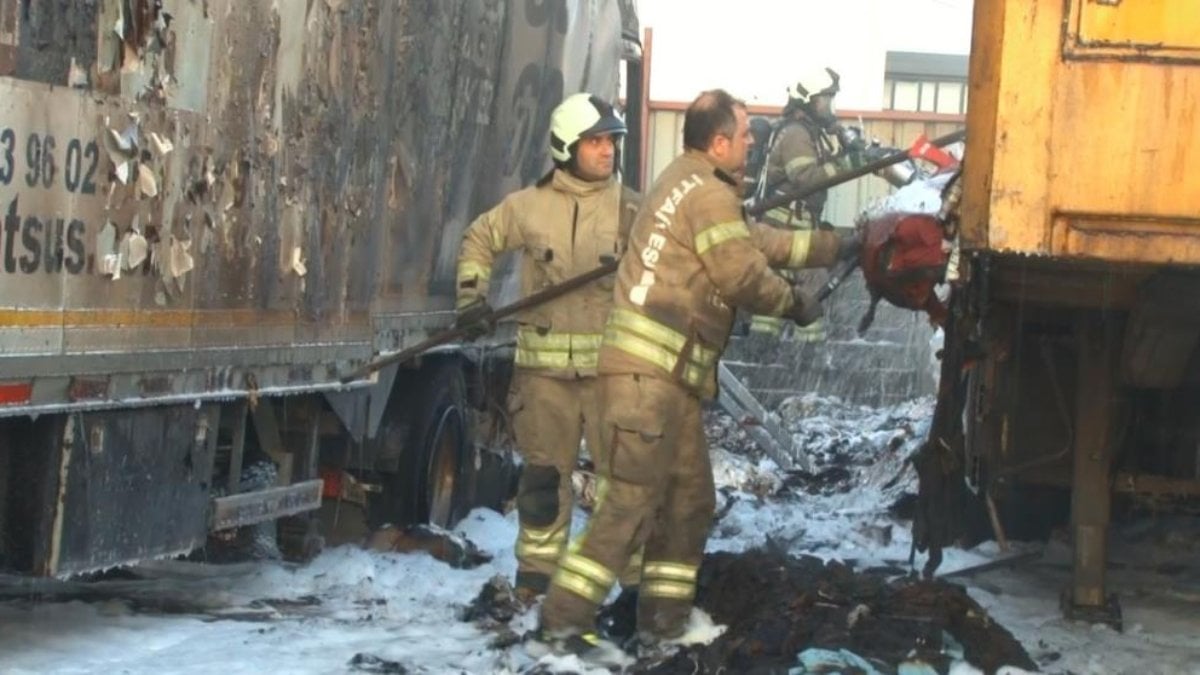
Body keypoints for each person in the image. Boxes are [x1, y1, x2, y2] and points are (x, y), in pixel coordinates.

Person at [533, 89, 856, 663]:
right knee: (630, 505)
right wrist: (794, 303)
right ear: (719, 142)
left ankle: (664, 623)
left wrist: (842, 245)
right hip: (646, 382)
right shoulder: (707, 193)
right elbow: (741, 276)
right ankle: (560, 625)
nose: (754, 141)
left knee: (689, 501)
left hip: (667, 382)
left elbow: (760, 241)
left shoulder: (692, 184)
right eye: (746, 133)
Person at [454, 92, 642, 605]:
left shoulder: (632, 209)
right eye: (596, 141)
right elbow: (478, 239)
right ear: (567, 147)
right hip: (544, 384)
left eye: (612, 141)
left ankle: (634, 589)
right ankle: (535, 584)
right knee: (542, 485)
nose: (607, 151)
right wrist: (472, 297)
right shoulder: (528, 207)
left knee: (624, 485)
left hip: (613, 378)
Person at [747, 67, 848, 342]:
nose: (829, 108)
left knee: (785, 296)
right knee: (801, 290)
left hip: (794, 227)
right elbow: (806, 180)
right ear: (808, 100)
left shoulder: (808, 132)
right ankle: (796, 360)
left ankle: (777, 358)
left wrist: (843, 150)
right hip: (784, 227)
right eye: (825, 100)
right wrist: (847, 164)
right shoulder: (795, 133)